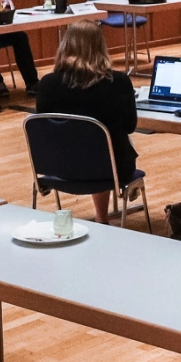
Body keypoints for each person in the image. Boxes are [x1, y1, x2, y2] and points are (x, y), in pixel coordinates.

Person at [33, 24, 138, 223]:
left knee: (83, 145)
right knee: (105, 147)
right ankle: (102, 218)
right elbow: (130, 126)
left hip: (57, 167)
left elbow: (44, 130)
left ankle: (102, 217)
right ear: (101, 47)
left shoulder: (47, 84)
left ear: (65, 46)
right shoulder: (119, 82)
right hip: (110, 170)